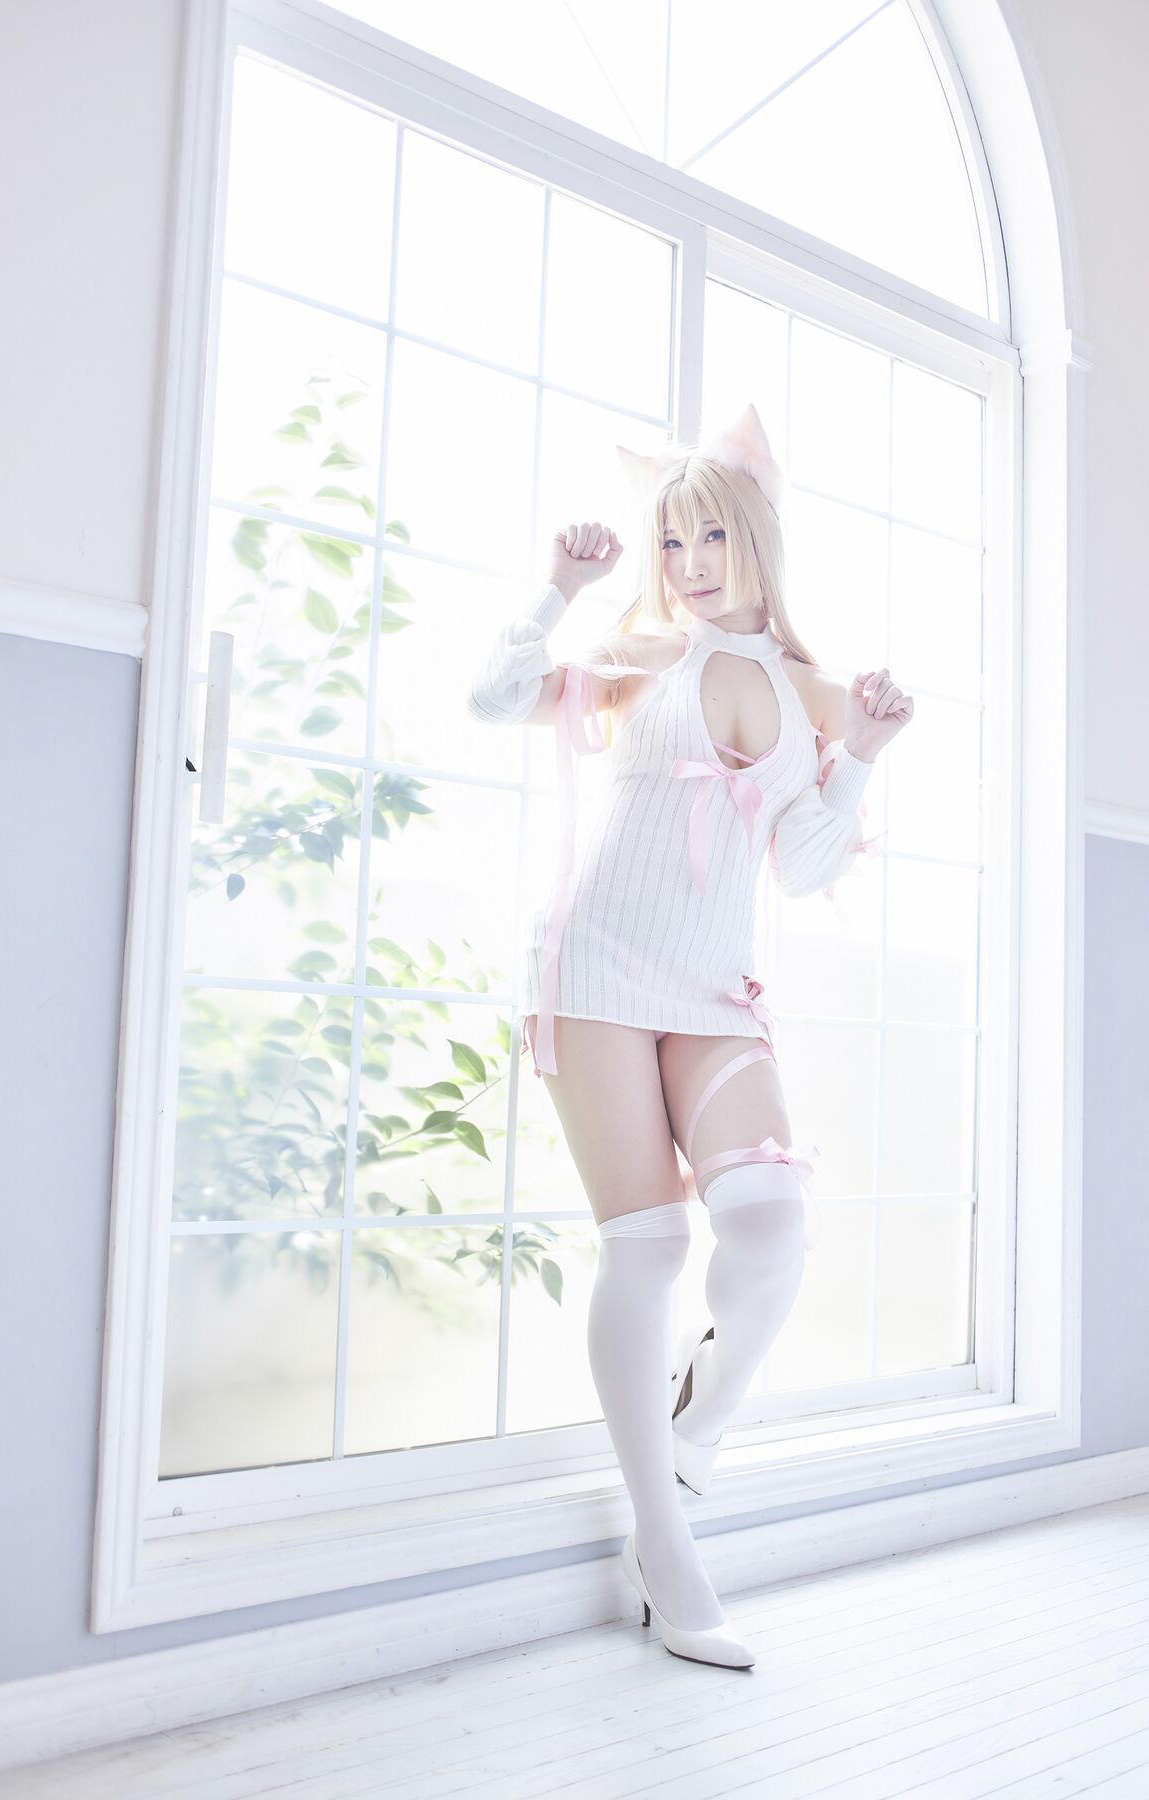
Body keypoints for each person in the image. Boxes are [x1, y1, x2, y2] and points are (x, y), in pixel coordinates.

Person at [465, 401, 913, 1669]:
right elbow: (493, 695)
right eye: (674, 542)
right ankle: (665, 1548)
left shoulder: (811, 691)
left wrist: (860, 753)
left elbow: (805, 860)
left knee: (770, 1221)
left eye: (712, 534)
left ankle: (697, 1421)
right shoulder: (641, 653)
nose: (693, 562)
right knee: (652, 1246)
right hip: (597, 968)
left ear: (758, 539)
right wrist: (559, 587)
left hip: (714, 988)